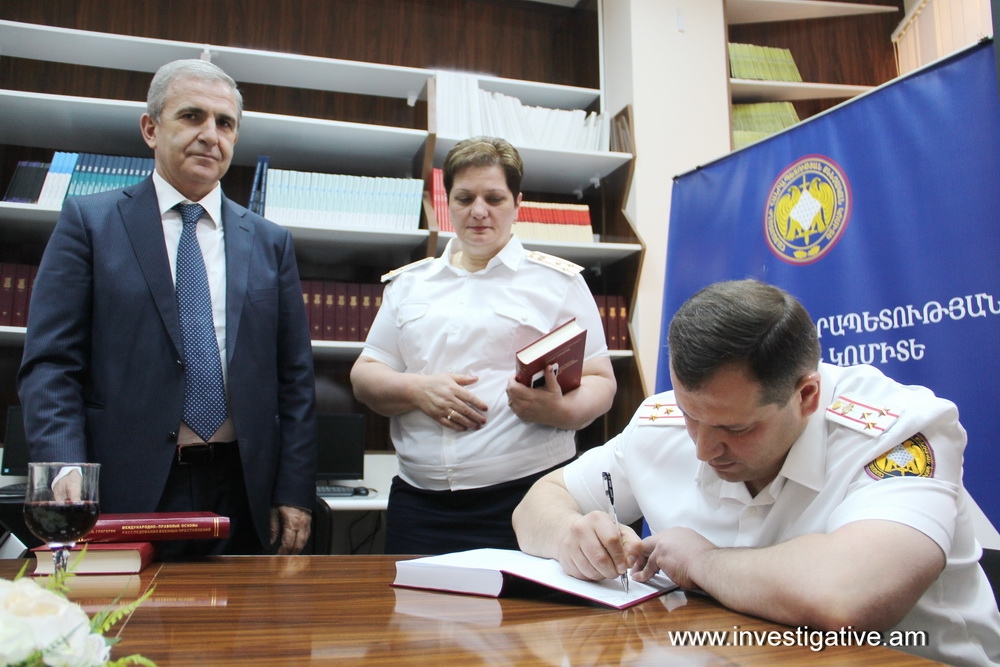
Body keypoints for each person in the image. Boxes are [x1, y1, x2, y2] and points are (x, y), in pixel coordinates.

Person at [513, 279, 1000, 666]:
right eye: (691, 416)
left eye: (736, 428)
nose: (703, 448)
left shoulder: (896, 431)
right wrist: (570, 534)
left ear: (806, 396)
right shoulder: (662, 422)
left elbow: (846, 597)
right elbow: (539, 502)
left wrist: (702, 562)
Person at [17, 59, 317, 557]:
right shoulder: (90, 223)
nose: (210, 135)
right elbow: (51, 364)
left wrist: (294, 490)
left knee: (245, 612)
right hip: (124, 485)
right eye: (192, 116)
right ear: (151, 129)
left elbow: (296, 379)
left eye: (225, 123)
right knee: (131, 610)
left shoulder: (270, 242)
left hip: (244, 488)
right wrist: (64, 466)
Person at [350, 136, 616, 554]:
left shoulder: (558, 282)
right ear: (448, 202)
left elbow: (602, 380)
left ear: (517, 203)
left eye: (494, 198)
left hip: (528, 496)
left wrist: (562, 411)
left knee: (523, 601)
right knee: (412, 600)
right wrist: (416, 390)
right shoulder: (408, 283)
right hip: (420, 504)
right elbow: (365, 374)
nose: (478, 211)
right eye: (464, 198)